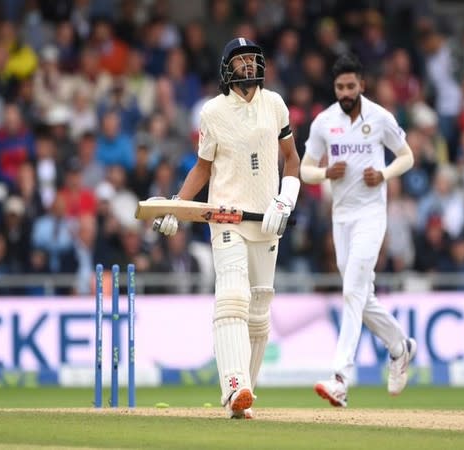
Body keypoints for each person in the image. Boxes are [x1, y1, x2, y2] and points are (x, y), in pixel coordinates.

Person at [152, 37, 300, 418]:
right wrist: (177, 206)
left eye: (253, 59)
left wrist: (285, 200)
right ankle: (235, 386)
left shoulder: (276, 104)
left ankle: (243, 398)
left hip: (266, 221)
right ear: (227, 69)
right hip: (226, 218)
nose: (248, 66)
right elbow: (203, 168)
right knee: (233, 297)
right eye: (241, 61)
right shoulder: (213, 112)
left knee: (259, 310)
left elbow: (291, 160)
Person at [300, 53, 416, 407]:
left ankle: (340, 378)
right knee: (360, 296)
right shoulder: (324, 122)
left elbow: (407, 156)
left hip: (371, 216)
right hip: (341, 217)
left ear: (362, 85)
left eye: (351, 86)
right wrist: (324, 174)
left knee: (352, 290)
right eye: (340, 86)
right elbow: (305, 169)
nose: (346, 91)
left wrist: (383, 174)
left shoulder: (380, 117)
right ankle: (400, 347)